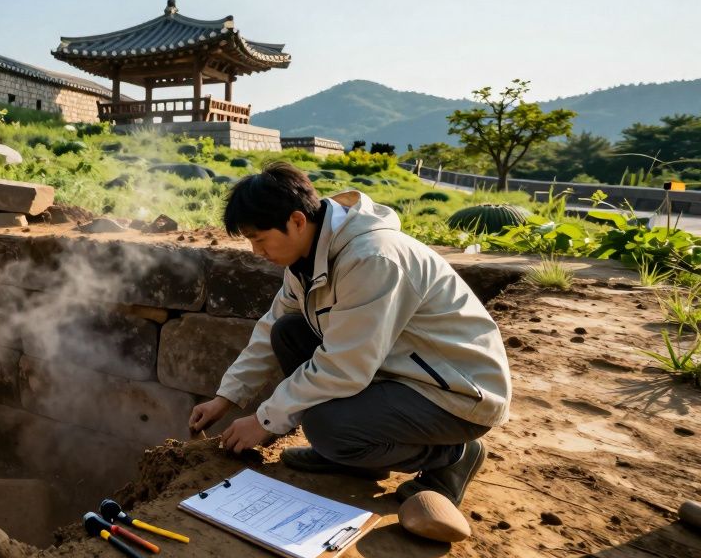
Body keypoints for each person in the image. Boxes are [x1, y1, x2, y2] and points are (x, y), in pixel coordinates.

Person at [188, 163, 511, 507]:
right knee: (288, 333)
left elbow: (345, 365)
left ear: (297, 221)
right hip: (400, 369)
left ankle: (453, 455)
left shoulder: (372, 258)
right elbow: (271, 325)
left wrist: (264, 420)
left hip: (455, 392)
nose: (256, 251)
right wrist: (227, 396)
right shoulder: (307, 258)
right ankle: (354, 458)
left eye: (260, 239)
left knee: (327, 427)